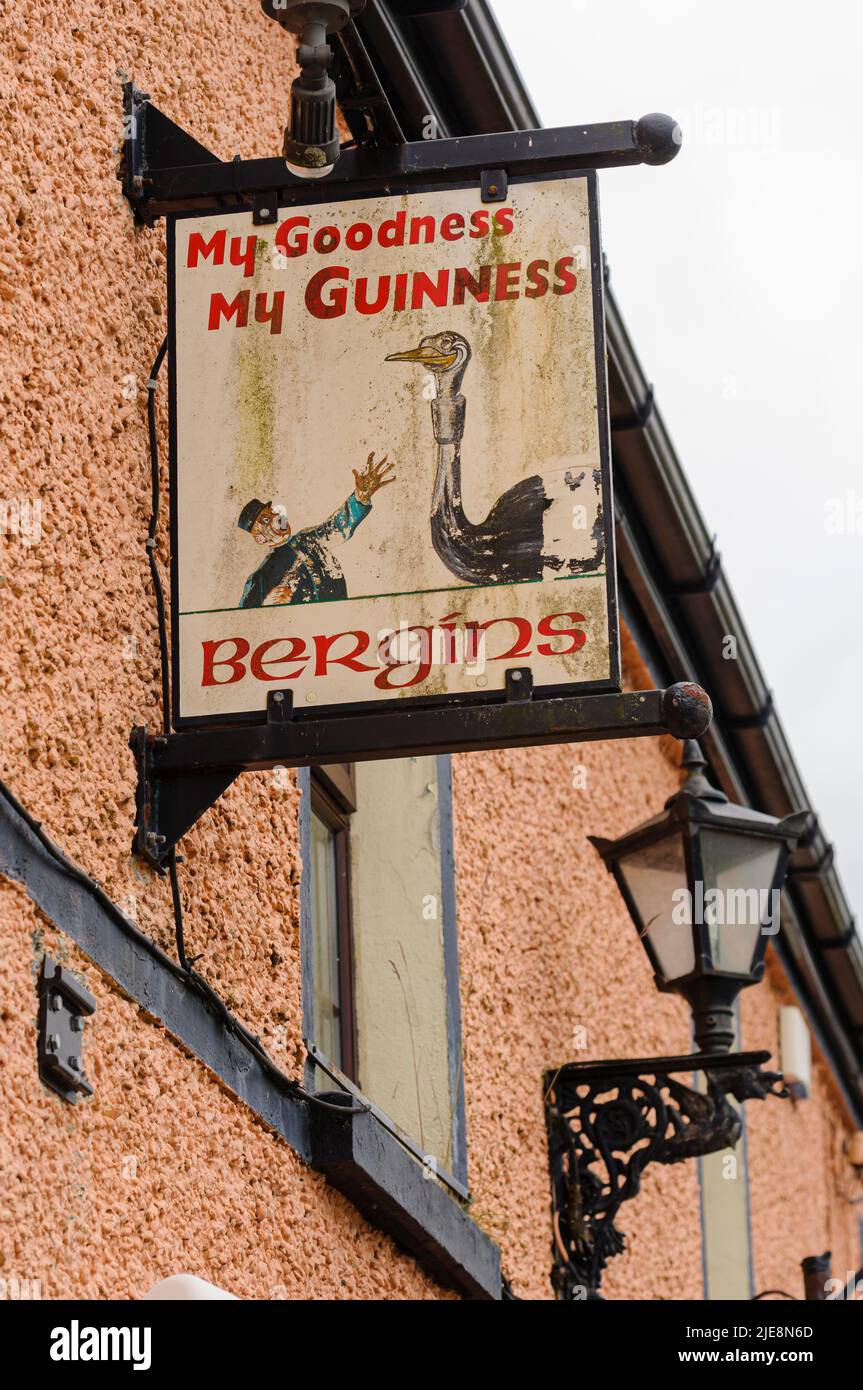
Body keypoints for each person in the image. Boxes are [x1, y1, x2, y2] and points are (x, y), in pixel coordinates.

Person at [237, 452, 395, 607]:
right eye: (266, 519)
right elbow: (243, 617)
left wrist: (360, 497)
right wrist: (268, 604)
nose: (276, 516)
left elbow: (337, 527)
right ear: (259, 538)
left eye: (273, 512)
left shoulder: (307, 539)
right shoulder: (262, 577)